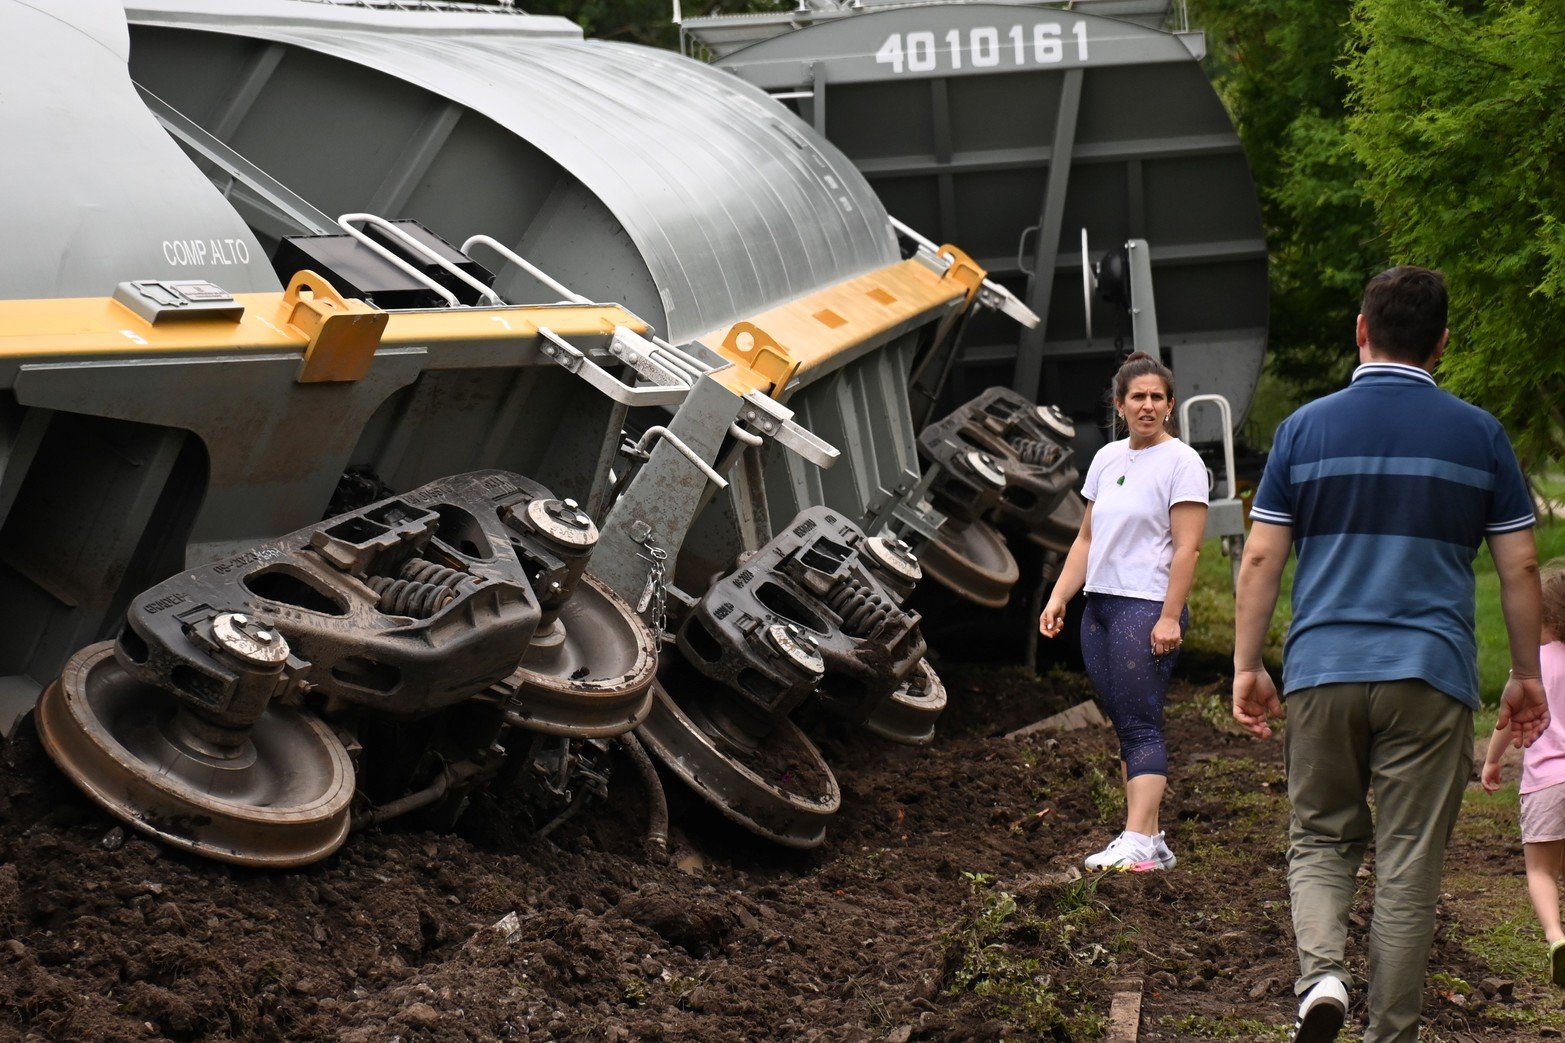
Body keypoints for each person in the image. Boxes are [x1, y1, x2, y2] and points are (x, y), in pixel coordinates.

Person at [1231, 265, 1549, 1043]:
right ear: (1441, 344)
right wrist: (1523, 673)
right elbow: (1520, 568)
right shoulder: (1479, 434)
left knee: (1319, 835)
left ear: (1360, 331)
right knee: (1408, 861)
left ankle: (1322, 978)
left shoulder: (1302, 429)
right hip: (1430, 675)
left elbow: (1262, 559)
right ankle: (1390, 1034)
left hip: (1321, 668)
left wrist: (1246, 663)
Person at [1039, 351, 1209, 872]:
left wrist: (1168, 615)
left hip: (1146, 607)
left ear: (1171, 404)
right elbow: (1086, 538)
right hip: (1100, 608)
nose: (1149, 405)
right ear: (1120, 404)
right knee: (1125, 725)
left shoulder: (1183, 462)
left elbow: (1188, 549)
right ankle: (1151, 840)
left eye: (1158, 397)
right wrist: (1059, 596)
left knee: (1141, 725)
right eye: (1139, 396)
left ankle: (1136, 839)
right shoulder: (1107, 458)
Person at [1481, 560, 1565, 986]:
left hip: (1546, 783)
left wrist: (1493, 760)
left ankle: (1555, 936)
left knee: (1541, 870)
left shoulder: (1529, 667)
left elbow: (1505, 721)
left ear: (1543, 618)